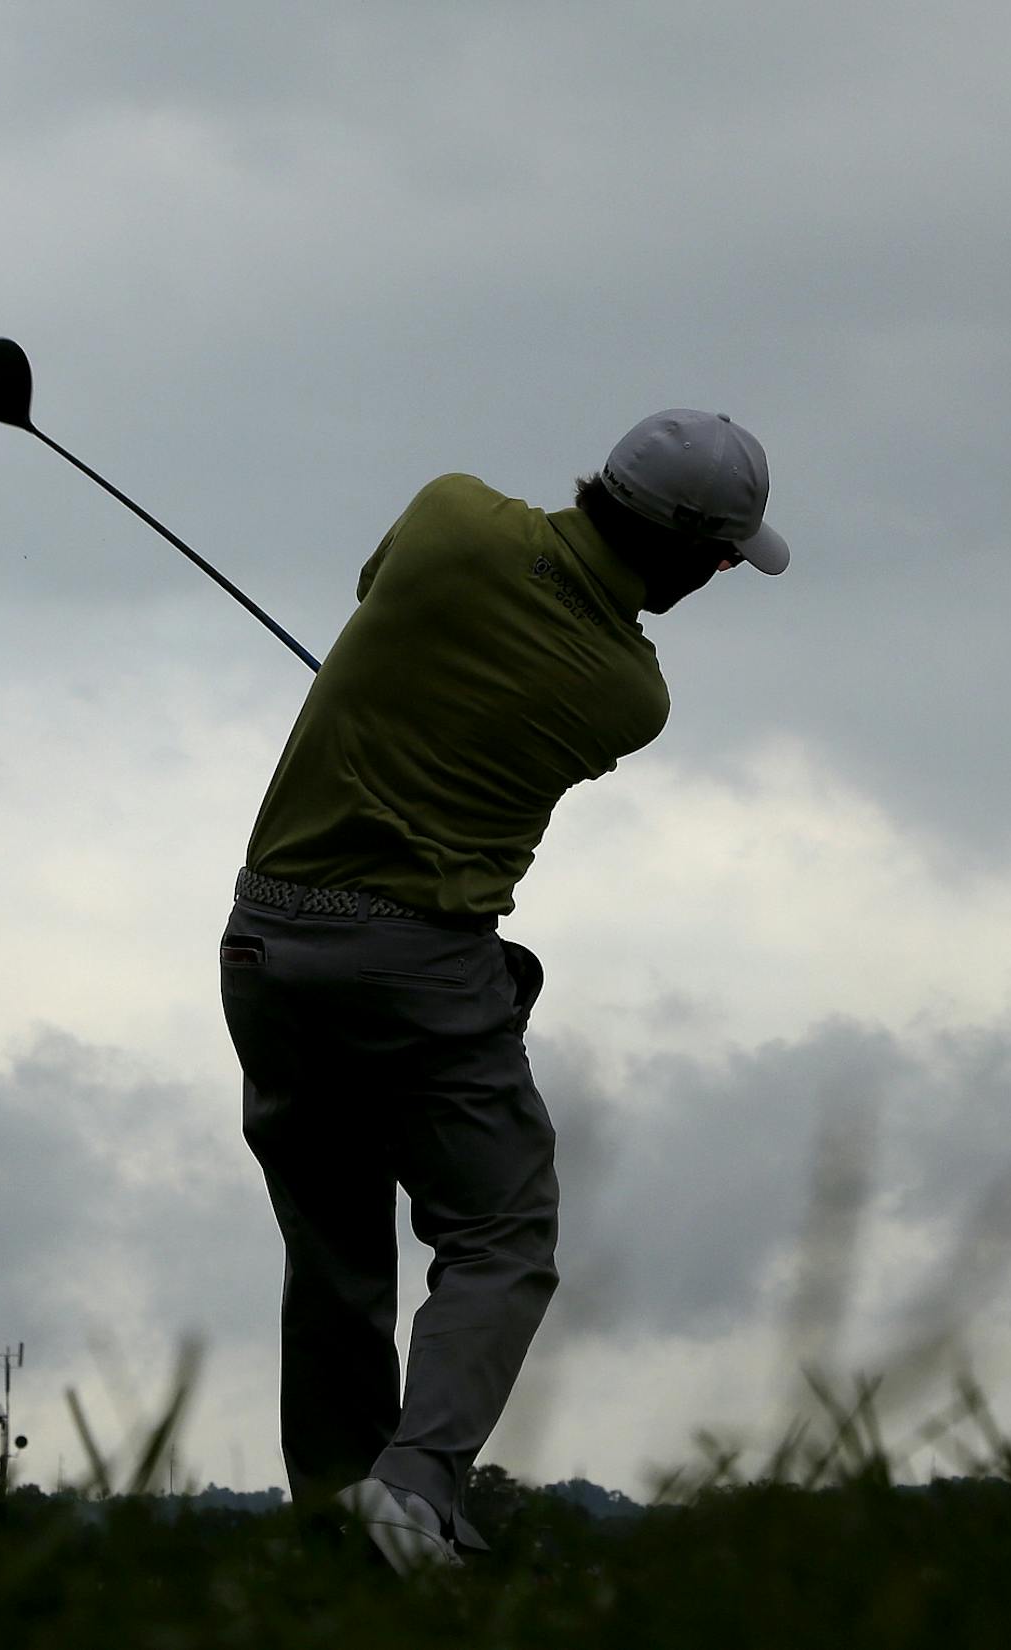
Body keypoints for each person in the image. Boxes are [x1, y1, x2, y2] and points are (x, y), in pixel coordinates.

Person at [222, 410, 788, 1574]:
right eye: (726, 559)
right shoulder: (631, 694)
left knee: (332, 1252)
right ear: (689, 554)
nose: (721, 577)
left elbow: (385, 598)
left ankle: (335, 1519)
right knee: (498, 1230)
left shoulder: (448, 515)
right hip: (417, 961)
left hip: (266, 944)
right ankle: (417, 1491)